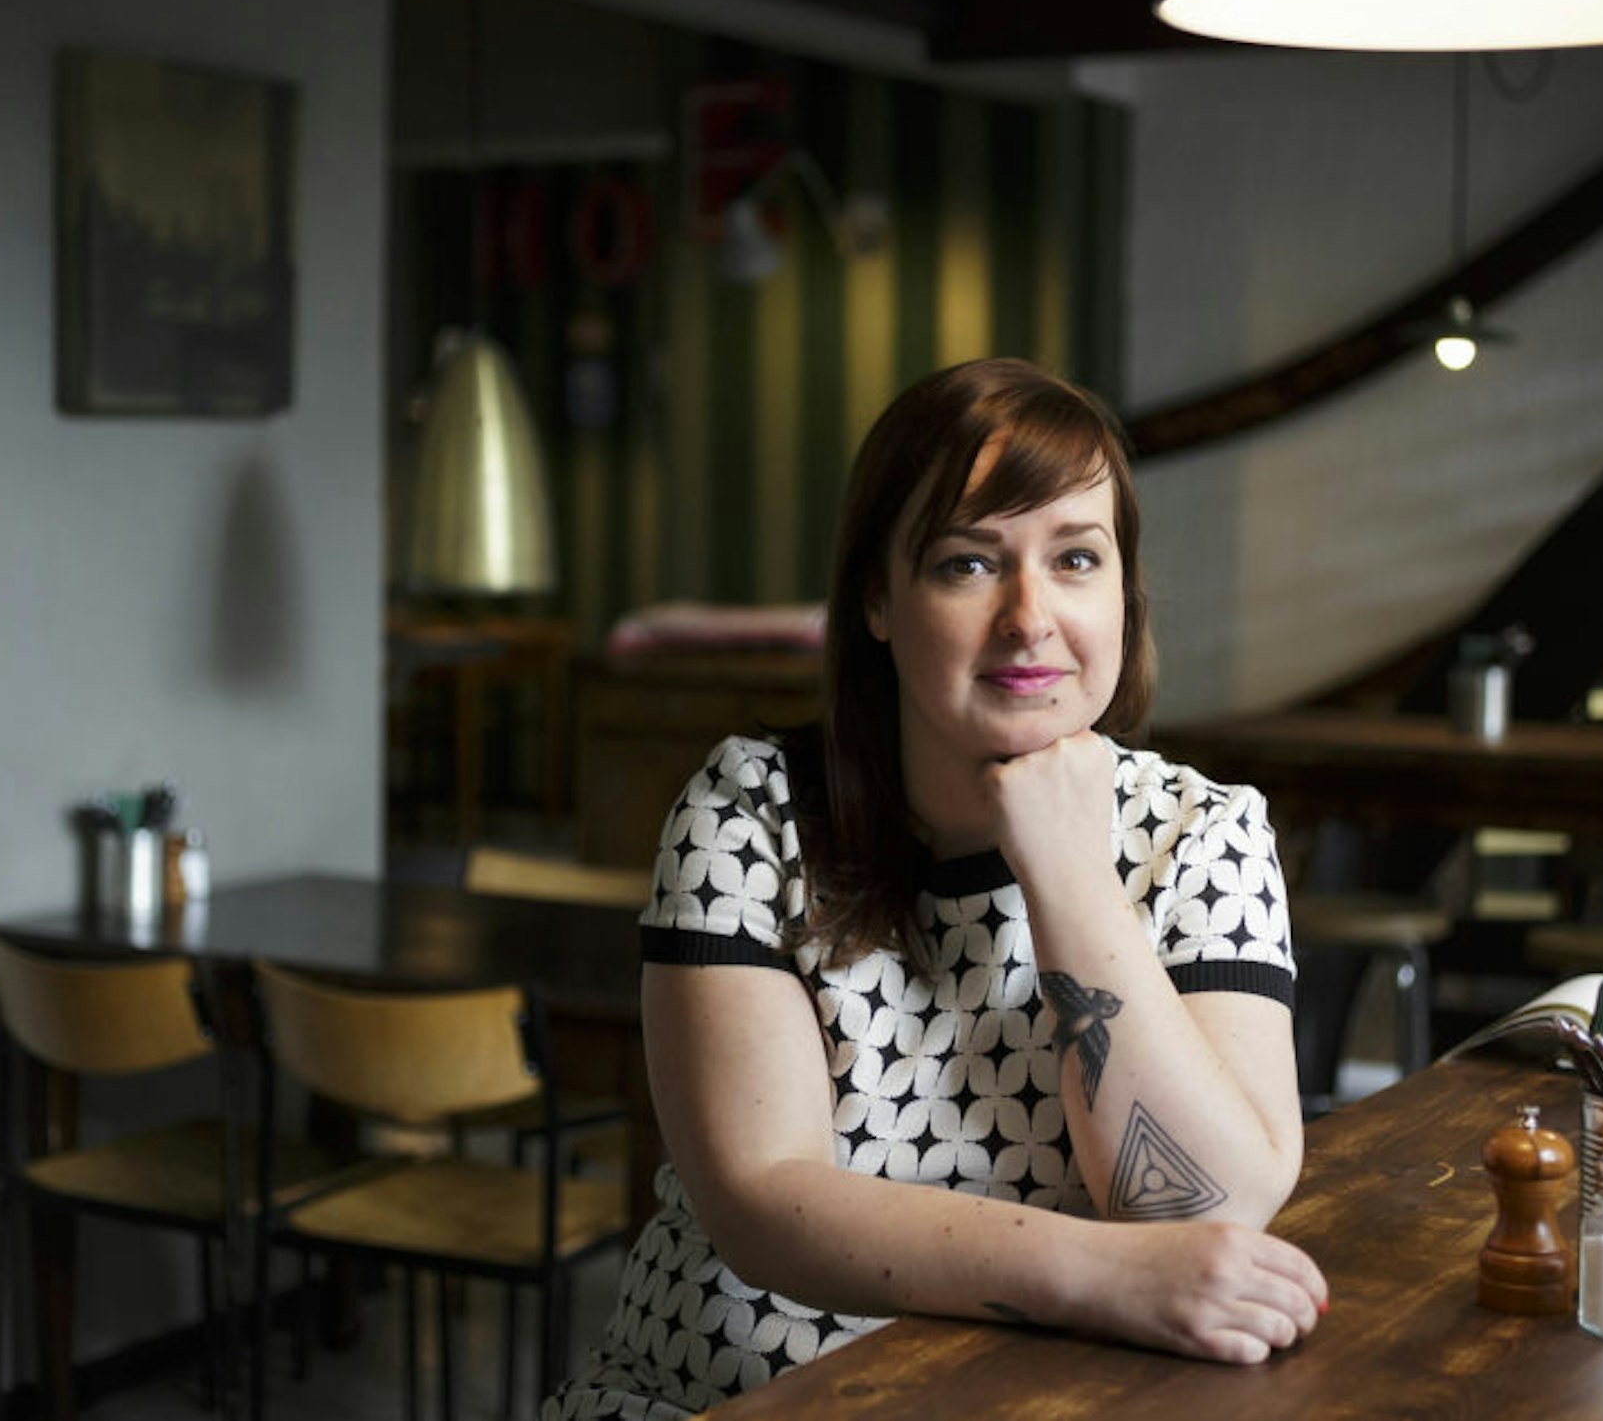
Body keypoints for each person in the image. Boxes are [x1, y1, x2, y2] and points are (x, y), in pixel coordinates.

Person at [545, 358, 1326, 1420]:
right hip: (721, 1399)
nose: (1029, 617)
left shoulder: (1205, 833)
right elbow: (762, 1200)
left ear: (1123, 592)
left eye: (1076, 559)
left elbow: (1204, 1208)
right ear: (877, 597)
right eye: (967, 564)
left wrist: (1068, 873)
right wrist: (1098, 1274)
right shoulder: (751, 811)